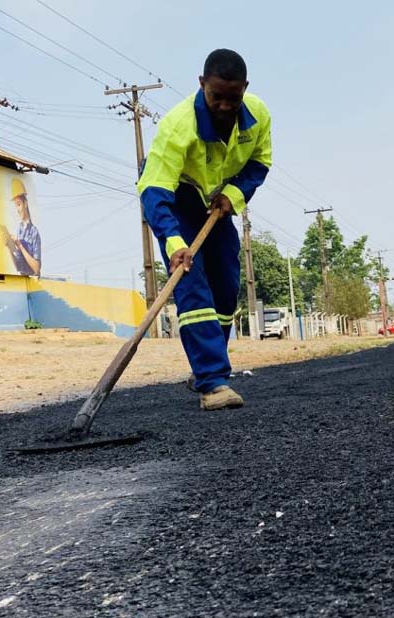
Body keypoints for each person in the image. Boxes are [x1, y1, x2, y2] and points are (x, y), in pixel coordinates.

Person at [137, 49, 272, 410]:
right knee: (192, 284)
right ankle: (212, 383)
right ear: (201, 85)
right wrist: (174, 242)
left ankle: (210, 368)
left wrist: (235, 193)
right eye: (217, 97)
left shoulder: (257, 115)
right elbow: (154, 191)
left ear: (245, 88)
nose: (226, 106)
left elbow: (260, 162)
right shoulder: (178, 126)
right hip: (176, 198)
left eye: (234, 97)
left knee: (227, 286)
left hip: (215, 200)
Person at [4, 179, 42, 276]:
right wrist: (9, 247)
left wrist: (20, 245)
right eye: (15, 205)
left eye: (19, 204)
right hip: (23, 282)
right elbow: (19, 266)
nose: (17, 209)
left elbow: (36, 269)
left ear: (25, 204)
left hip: (35, 284)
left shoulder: (34, 232)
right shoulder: (19, 230)